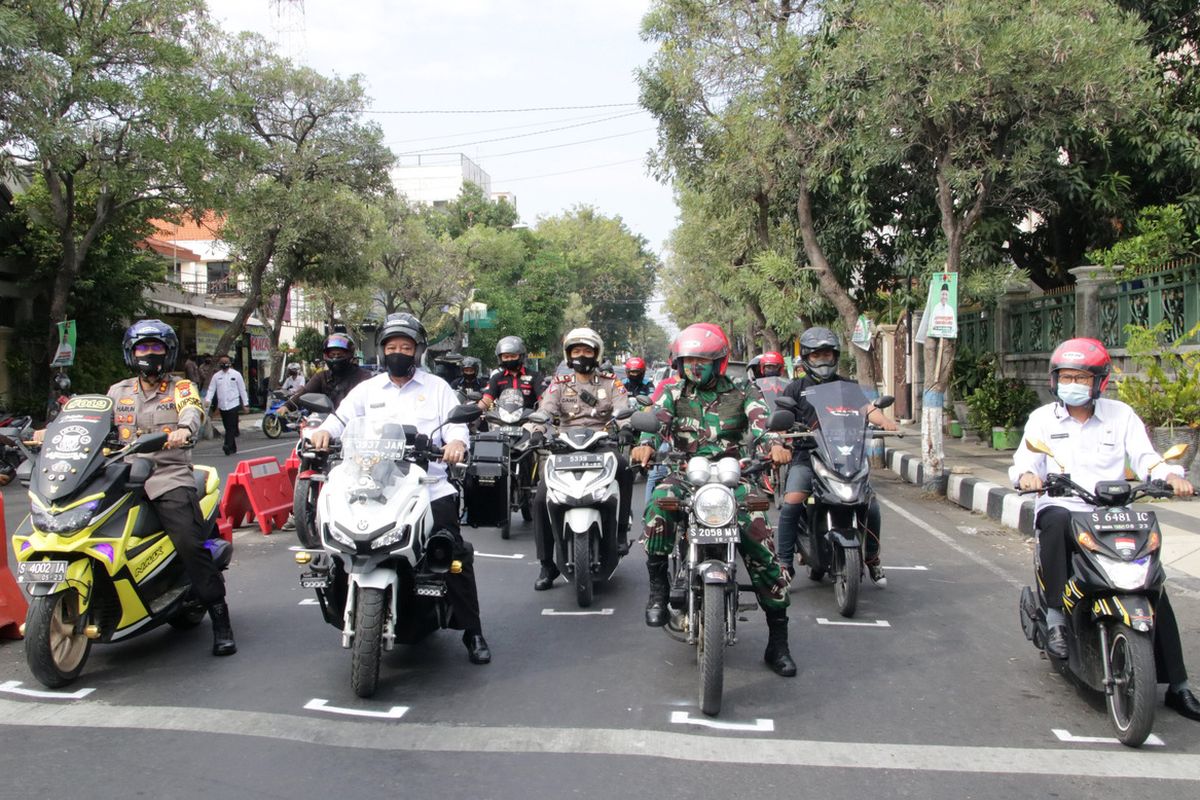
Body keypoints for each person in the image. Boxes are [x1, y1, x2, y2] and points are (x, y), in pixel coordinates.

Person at [1010, 337, 1199, 720]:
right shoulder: (1043, 420)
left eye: (1080, 376)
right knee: (1056, 519)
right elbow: (1024, 461)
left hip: (1112, 513)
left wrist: (1169, 475)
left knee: (1150, 582)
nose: (1072, 383)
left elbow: (1147, 458)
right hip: (1065, 506)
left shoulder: (1121, 415)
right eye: (1065, 376)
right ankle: (1055, 617)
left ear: (1100, 381)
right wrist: (1028, 475)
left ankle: (1178, 685)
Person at [34, 320, 236, 655]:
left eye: (156, 347)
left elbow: (193, 411)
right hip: (120, 474)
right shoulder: (117, 392)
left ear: (167, 352)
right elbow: (88, 423)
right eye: (143, 348)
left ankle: (220, 618)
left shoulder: (180, 388)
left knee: (188, 542)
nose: (150, 354)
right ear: (131, 353)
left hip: (166, 475)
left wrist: (184, 430)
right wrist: (52, 431)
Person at [309, 313, 490, 665]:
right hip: (372, 484)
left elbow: (457, 428)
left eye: (406, 347)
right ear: (382, 351)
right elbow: (339, 420)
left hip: (429, 486)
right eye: (392, 347)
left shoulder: (437, 388)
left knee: (449, 549)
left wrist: (455, 444)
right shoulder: (367, 390)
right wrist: (322, 433)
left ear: (418, 351)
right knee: (336, 538)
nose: (399, 353)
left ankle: (473, 631)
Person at [630, 322, 797, 677]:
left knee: (760, 540)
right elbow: (657, 418)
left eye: (702, 361)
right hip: (685, 474)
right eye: (689, 360)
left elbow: (761, 423)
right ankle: (658, 590)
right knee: (658, 504)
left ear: (719, 362)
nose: (694, 367)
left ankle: (778, 642)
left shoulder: (742, 389)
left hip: (734, 477)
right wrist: (645, 441)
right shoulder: (674, 391)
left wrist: (776, 445)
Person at [775, 327, 898, 585]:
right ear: (807, 358)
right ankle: (784, 563)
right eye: (817, 355)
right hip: (808, 455)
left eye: (827, 355)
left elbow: (867, 410)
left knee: (870, 505)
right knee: (792, 502)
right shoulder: (795, 388)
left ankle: (872, 558)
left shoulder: (848, 387)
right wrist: (780, 443)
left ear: (835, 357)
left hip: (845, 457)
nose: (823, 360)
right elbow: (781, 422)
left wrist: (885, 421)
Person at [531, 328, 634, 590]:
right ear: (568, 355)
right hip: (565, 448)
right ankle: (546, 564)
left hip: (602, 444)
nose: (581, 356)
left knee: (624, 466)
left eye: (587, 351)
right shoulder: (559, 384)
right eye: (576, 351)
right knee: (542, 497)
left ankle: (620, 530)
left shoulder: (612, 382)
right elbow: (545, 411)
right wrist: (536, 432)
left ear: (596, 354)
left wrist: (624, 427)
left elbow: (622, 409)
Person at [284, 332, 373, 414]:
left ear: (350, 354)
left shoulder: (364, 377)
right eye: (332, 354)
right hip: (326, 423)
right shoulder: (321, 377)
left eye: (339, 354)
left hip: (355, 424)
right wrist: (286, 406)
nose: (335, 357)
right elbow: (305, 392)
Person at [480, 335, 542, 411]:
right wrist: (476, 409)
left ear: (521, 356)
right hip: (502, 419)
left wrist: (543, 412)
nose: (509, 359)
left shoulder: (535, 376)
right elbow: (487, 398)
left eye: (513, 356)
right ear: (501, 358)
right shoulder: (496, 378)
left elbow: (542, 399)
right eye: (506, 357)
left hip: (529, 419)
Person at [204, 355, 249, 456]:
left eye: (226, 362)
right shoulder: (216, 376)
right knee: (227, 426)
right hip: (222, 405)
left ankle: (227, 445)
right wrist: (208, 400)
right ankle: (232, 448)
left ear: (230, 363)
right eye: (222, 362)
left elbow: (242, 390)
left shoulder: (236, 375)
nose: (224, 364)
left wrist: (245, 404)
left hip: (233, 404)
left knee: (231, 427)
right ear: (220, 364)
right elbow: (211, 389)